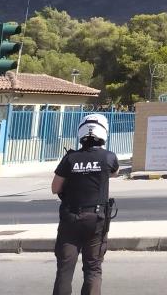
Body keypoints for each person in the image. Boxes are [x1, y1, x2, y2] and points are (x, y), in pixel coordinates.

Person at [51, 113, 119, 295]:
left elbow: (55, 188)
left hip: (70, 219)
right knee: (93, 268)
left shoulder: (70, 159)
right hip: (96, 220)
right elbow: (114, 172)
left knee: (64, 269)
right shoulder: (108, 157)